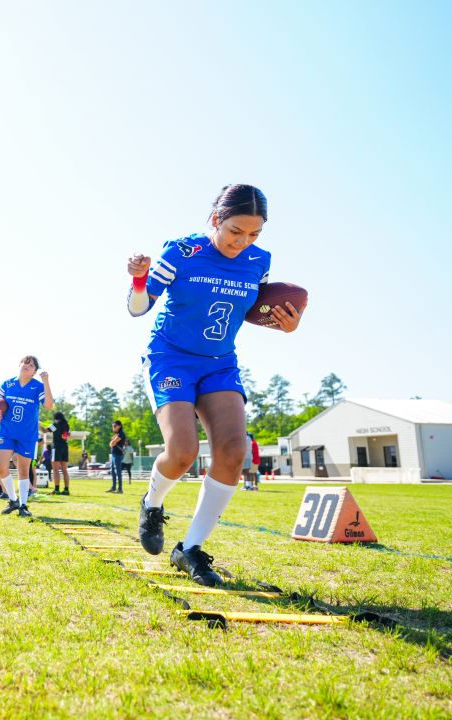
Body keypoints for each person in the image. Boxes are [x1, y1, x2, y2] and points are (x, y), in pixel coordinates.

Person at [127, 184, 302, 586]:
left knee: (233, 450)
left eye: (254, 234)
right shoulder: (181, 252)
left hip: (220, 363)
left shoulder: (259, 261)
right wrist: (139, 281)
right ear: (215, 220)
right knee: (183, 451)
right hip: (170, 357)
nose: (243, 242)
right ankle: (151, 503)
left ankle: (188, 549)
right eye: (236, 231)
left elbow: (257, 310)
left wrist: (285, 324)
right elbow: (138, 308)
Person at [0, 356, 55, 517]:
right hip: (6, 431)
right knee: (0, 466)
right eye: (25, 362)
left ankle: (24, 505)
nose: (28, 365)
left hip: (27, 434)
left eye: (32, 365)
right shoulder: (8, 383)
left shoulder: (37, 386)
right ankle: (13, 500)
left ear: (34, 371)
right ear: (19, 365)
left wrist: (46, 381)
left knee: (23, 470)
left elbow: (48, 405)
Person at [47, 412, 71, 495]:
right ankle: (66, 490)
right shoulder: (67, 425)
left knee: (55, 470)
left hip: (56, 447)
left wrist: (38, 424)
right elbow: (67, 436)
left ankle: (56, 489)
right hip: (65, 447)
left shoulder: (55, 424)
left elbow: (45, 430)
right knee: (65, 470)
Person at [108, 421, 126, 493]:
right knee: (113, 471)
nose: (113, 427)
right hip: (114, 454)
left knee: (118, 471)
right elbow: (111, 443)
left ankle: (120, 489)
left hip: (118, 455)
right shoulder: (117, 434)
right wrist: (112, 443)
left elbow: (112, 443)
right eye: (113, 426)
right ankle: (113, 487)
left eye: (115, 426)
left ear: (119, 426)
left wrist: (112, 442)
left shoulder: (121, 434)